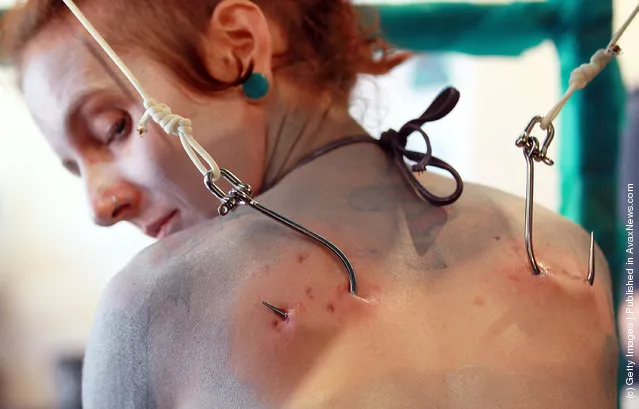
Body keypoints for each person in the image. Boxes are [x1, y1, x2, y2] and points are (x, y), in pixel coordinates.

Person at [1, 0, 618, 407]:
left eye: (109, 128)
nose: (97, 204)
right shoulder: (569, 256)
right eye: (72, 165)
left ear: (238, 46)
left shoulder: (153, 310)